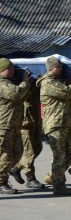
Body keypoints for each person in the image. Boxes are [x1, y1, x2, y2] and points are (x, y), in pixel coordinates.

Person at [37, 57, 71, 195]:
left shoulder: (58, 81)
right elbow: (68, 92)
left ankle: (54, 176)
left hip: (66, 123)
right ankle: (59, 186)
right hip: (55, 125)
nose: (62, 69)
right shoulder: (48, 82)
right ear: (51, 68)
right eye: (59, 67)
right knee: (59, 156)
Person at [0, 58, 31, 194]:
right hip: (4, 125)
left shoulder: (10, 83)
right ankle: (1, 183)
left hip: (14, 125)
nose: (12, 70)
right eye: (9, 68)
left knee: (17, 153)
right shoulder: (2, 84)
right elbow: (17, 93)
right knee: (6, 155)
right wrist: (25, 81)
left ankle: (5, 175)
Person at [9, 77, 45, 190]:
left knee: (38, 148)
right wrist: (26, 81)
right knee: (29, 151)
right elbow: (20, 95)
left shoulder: (35, 83)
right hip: (24, 122)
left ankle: (17, 168)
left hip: (35, 120)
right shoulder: (20, 82)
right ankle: (30, 178)